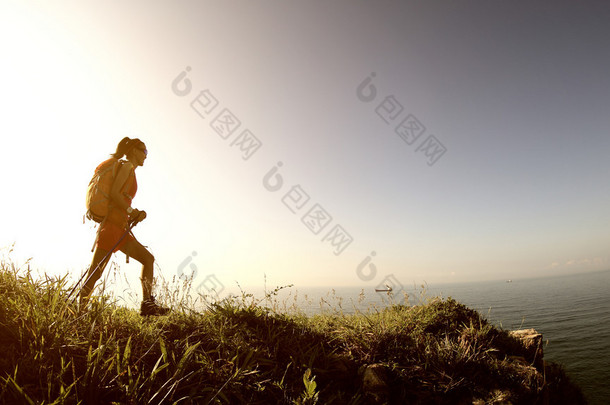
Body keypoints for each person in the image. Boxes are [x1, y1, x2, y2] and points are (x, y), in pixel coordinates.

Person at [80, 137, 169, 316]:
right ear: (134, 151)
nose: (146, 156)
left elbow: (119, 196)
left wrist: (130, 215)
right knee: (95, 272)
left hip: (120, 226)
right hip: (111, 227)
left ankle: (147, 305)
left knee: (148, 259)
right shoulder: (127, 166)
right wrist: (132, 211)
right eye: (144, 151)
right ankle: (76, 310)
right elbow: (114, 195)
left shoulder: (129, 169)